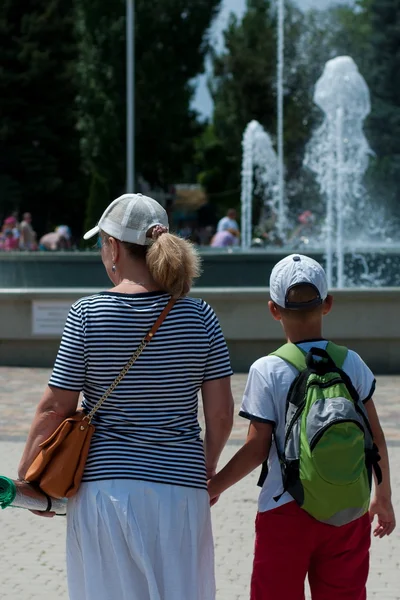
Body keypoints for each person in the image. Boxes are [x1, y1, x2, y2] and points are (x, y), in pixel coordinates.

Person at [18, 193, 234, 600]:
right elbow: (221, 415)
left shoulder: (87, 313)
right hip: (183, 493)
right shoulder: (200, 315)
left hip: (107, 492)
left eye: (102, 243)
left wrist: (30, 478)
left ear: (114, 247)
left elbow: (53, 408)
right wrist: (204, 471)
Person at [208, 254, 396, 600]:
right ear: (327, 304)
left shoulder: (267, 370)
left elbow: (255, 448)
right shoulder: (351, 362)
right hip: (348, 507)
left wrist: (213, 486)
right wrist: (382, 498)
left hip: (284, 509)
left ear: (273, 309)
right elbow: (376, 437)